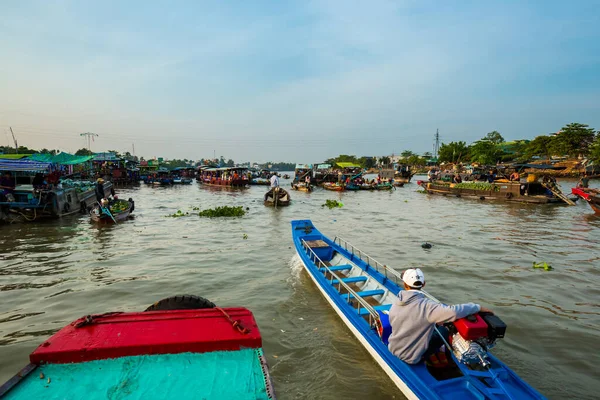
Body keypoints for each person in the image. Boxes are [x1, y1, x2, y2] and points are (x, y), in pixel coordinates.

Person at [388, 268, 492, 365]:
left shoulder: (398, 300)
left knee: (434, 325)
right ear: (423, 284)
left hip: (393, 348)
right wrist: (477, 307)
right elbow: (454, 312)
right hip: (411, 357)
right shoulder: (428, 306)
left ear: (405, 284)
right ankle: (452, 354)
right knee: (444, 331)